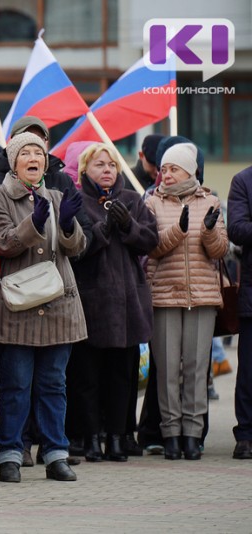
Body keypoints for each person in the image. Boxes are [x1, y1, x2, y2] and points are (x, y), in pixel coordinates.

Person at [0, 132, 87, 483]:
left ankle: (56, 454)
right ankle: (10, 454)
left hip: (59, 305)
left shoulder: (57, 196)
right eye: (25, 152)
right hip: (18, 307)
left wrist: (70, 224)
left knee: (54, 385)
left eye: (38, 153)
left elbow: (76, 249)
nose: (34, 158)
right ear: (14, 162)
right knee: (15, 385)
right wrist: (34, 224)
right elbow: (3, 244)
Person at [67, 143, 158, 462]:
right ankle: (91, 437)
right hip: (91, 301)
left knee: (122, 376)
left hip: (126, 303)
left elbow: (150, 241)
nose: (106, 170)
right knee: (87, 377)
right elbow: (77, 248)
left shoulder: (132, 200)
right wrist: (105, 228)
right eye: (99, 165)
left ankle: (118, 437)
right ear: (84, 171)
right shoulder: (77, 202)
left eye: (111, 165)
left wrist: (128, 226)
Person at [145, 143, 228, 461]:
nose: (166, 174)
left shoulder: (210, 200)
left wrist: (208, 232)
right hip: (165, 296)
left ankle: (193, 434)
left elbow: (220, 250)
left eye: (173, 168)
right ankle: (171, 435)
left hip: (203, 297)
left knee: (196, 369)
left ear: (190, 170)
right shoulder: (153, 203)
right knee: (166, 370)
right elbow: (152, 248)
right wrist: (179, 231)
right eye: (163, 169)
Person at [227, 164, 252, 460]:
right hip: (251, 293)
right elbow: (236, 229)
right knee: (248, 369)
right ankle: (245, 433)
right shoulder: (243, 180)